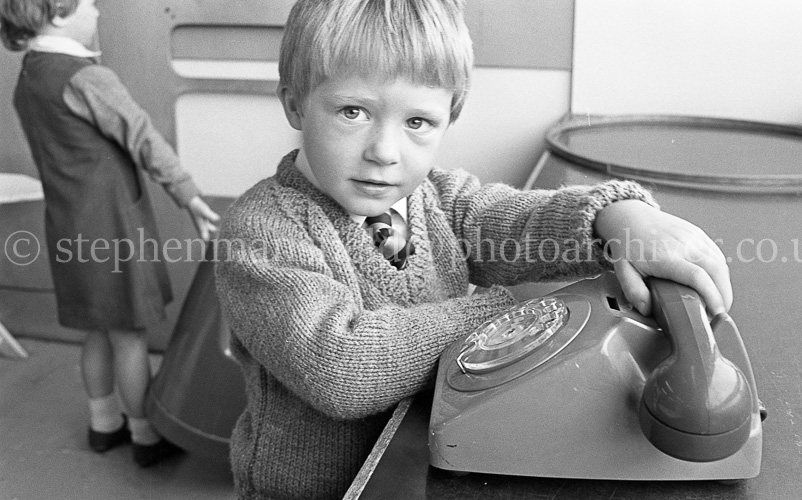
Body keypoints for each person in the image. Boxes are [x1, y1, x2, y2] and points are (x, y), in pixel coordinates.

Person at [214, 0, 732, 498]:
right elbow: (341, 364)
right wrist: (512, 316)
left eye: (418, 123)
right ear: (294, 104)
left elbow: (521, 223)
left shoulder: (437, 197)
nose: (384, 152)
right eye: (353, 112)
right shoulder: (261, 232)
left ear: (449, 117)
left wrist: (619, 218)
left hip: (425, 462)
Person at [1, 0, 220, 467]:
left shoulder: (30, 76)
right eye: (88, 4)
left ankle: (103, 424)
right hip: (111, 226)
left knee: (96, 331)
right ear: (58, 13)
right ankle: (144, 436)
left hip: (67, 223)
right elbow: (142, 135)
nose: (97, 13)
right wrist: (189, 195)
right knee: (129, 336)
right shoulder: (85, 77)